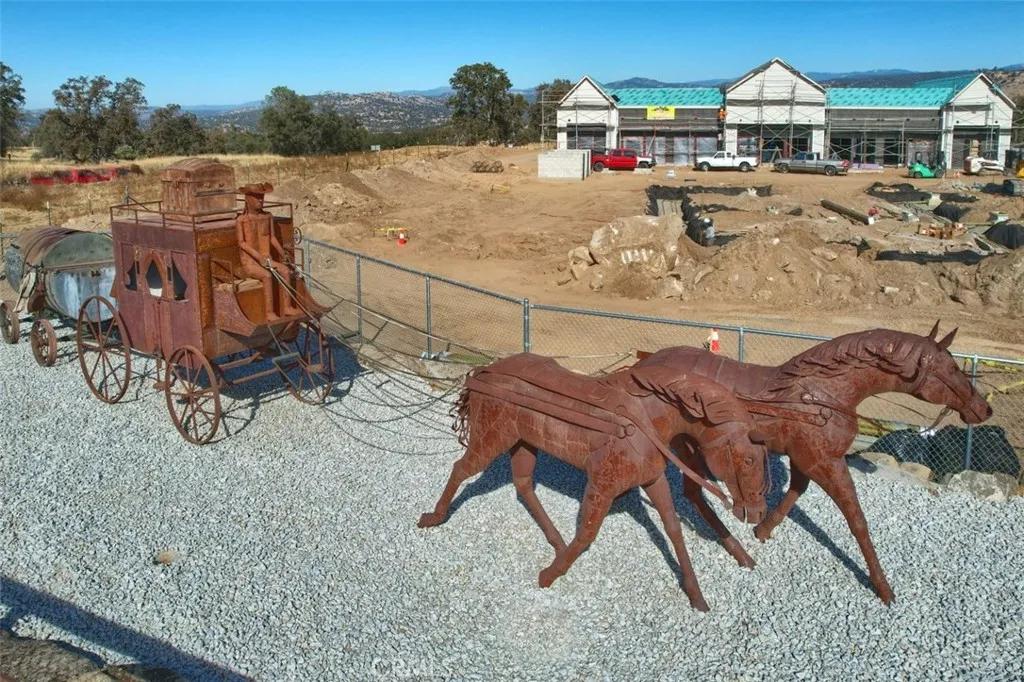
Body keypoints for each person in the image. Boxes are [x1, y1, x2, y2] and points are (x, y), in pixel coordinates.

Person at [236, 182, 300, 319]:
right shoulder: (241, 220)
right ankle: (269, 313)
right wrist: (258, 257)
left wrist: (283, 254)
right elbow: (242, 243)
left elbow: (272, 238)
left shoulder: (267, 216)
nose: (260, 200)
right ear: (247, 199)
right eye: (257, 197)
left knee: (285, 270)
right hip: (250, 263)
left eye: (262, 197)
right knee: (267, 276)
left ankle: (288, 307)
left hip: (267, 259)